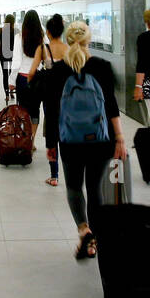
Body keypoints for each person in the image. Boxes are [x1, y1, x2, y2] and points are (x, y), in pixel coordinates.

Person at [43, 21, 127, 260]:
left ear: (68, 40)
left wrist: (51, 145)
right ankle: (94, 243)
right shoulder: (102, 66)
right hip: (101, 139)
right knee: (95, 189)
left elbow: (52, 111)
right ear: (90, 40)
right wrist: (119, 138)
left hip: (70, 141)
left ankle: (83, 229)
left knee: (73, 187)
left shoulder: (57, 71)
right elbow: (111, 105)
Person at [39, 13, 68, 187]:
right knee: (65, 134)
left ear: (48, 32)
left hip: (50, 98)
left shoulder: (44, 49)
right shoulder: (69, 50)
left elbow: (34, 71)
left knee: (51, 136)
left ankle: (54, 175)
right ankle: (70, 170)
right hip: (67, 98)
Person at [8, 10, 44, 149]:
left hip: (23, 79)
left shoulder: (19, 37)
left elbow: (16, 62)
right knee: (35, 110)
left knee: (23, 111)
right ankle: (32, 141)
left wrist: (11, 81)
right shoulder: (43, 37)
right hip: (38, 78)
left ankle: (24, 140)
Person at [0, 14, 17, 95]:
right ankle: (11, 92)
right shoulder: (16, 31)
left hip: (4, 55)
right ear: (13, 21)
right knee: (12, 73)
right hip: (13, 56)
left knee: (5, 74)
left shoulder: (1, 30)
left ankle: (7, 94)